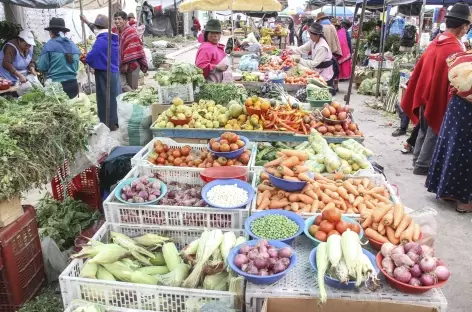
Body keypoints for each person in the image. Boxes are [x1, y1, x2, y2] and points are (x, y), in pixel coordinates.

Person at [400, 2, 470, 176]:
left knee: (425, 126)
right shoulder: (453, 48)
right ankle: (423, 164)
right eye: (468, 26)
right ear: (463, 27)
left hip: (424, 92)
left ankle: (417, 159)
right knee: (433, 127)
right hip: (437, 94)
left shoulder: (436, 42)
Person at [426, 50, 472, 212]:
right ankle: (464, 201)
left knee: (453, 144)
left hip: (457, 106)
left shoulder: (462, 56)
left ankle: (447, 191)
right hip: (468, 109)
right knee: (466, 150)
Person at [83, 14, 120, 129]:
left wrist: (86, 59)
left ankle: (107, 123)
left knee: (105, 98)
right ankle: (115, 121)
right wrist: (86, 20)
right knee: (115, 97)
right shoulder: (111, 37)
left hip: (104, 74)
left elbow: (92, 56)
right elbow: (94, 29)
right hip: (114, 72)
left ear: (98, 28)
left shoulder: (102, 40)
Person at [37, 18, 80, 99]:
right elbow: (76, 66)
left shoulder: (49, 45)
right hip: (73, 86)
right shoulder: (73, 45)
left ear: (51, 32)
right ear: (65, 32)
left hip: (56, 88)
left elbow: (41, 67)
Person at [289, 22, 334, 88]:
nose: (310, 37)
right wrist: (291, 51)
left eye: (311, 35)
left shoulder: (322, 47)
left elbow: (313, 64)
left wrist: (299, 60)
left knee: (323, 91)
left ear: (317, 35)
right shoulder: (313, 41)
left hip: (325, 73)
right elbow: (303, 48)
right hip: (318, 71)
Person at [113, 11, 148, 92]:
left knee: (132, 87)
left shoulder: (131, 32)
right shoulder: (115, 31)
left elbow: (134, 49)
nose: (117, 21)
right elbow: (100, 30)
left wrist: (126, 63)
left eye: (119, 19)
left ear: (125, 20)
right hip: (120, 64)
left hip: (132, 64)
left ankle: (133, 100)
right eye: (115, 19)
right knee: (122, 86)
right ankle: (131, 98)